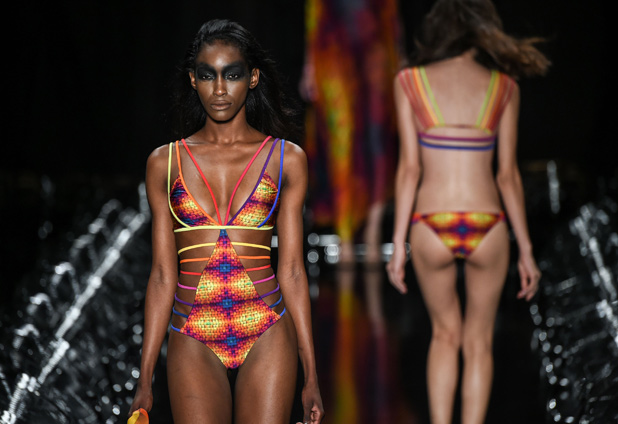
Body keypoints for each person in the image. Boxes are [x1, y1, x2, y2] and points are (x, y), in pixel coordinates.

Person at [129, 19, 324, 424]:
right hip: (192, 332)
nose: (219, 89)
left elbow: (291, 269)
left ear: (252, 78)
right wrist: (144, 379)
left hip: (267, 327)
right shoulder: (164, 163)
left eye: (232, 75)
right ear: (193, 80)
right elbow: (162, 274)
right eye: (207, 75)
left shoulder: (286, 159)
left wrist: (312, 375)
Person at [386, 1, 549, 423]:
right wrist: (526, 250)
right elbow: (507, 176)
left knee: (444, 335)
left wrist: (398, 244)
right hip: (487, 223)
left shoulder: (410, 82)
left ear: (438, 29)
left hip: (431, 223)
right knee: (479, 343)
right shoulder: (504, 87)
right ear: (482, 30)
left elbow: (409, 170)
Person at [300, 0, 402, 265]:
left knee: (378, 140)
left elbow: (391, 13)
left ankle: (373, 228)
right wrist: (310, 66)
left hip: (376, 46)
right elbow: (315, 13)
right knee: (341, 141)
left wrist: (399, 59)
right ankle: (344, 233)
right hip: (334, 47)